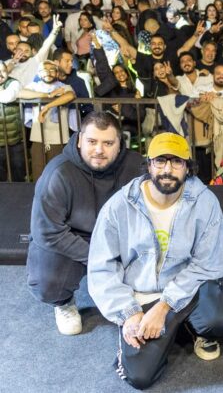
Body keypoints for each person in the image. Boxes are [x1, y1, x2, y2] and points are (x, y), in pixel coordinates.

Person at [88, 132, 223, 389]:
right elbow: (101, 268)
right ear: (149, 165)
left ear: (188, 168)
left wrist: (165, 306)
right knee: (140, 377)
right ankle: (168, 328)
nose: (167, 169)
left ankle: (189, 327)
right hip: (139, 296)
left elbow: (209, 263)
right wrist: (129, 313)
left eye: (177, 161)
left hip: (186, 290)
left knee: (218, 319)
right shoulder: (119, 205)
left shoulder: (205, 202)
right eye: (160, 161)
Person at [27, 112, 142, 335]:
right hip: (73, 237)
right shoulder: (58, 172)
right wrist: (99, 257)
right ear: (79, 140)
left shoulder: (136, 166)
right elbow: (47, 232)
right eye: (92, 141)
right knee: (47, 282)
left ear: (120, 144)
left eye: (108, 143)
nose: (99, 150)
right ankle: (63, 303)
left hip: (119, 235)